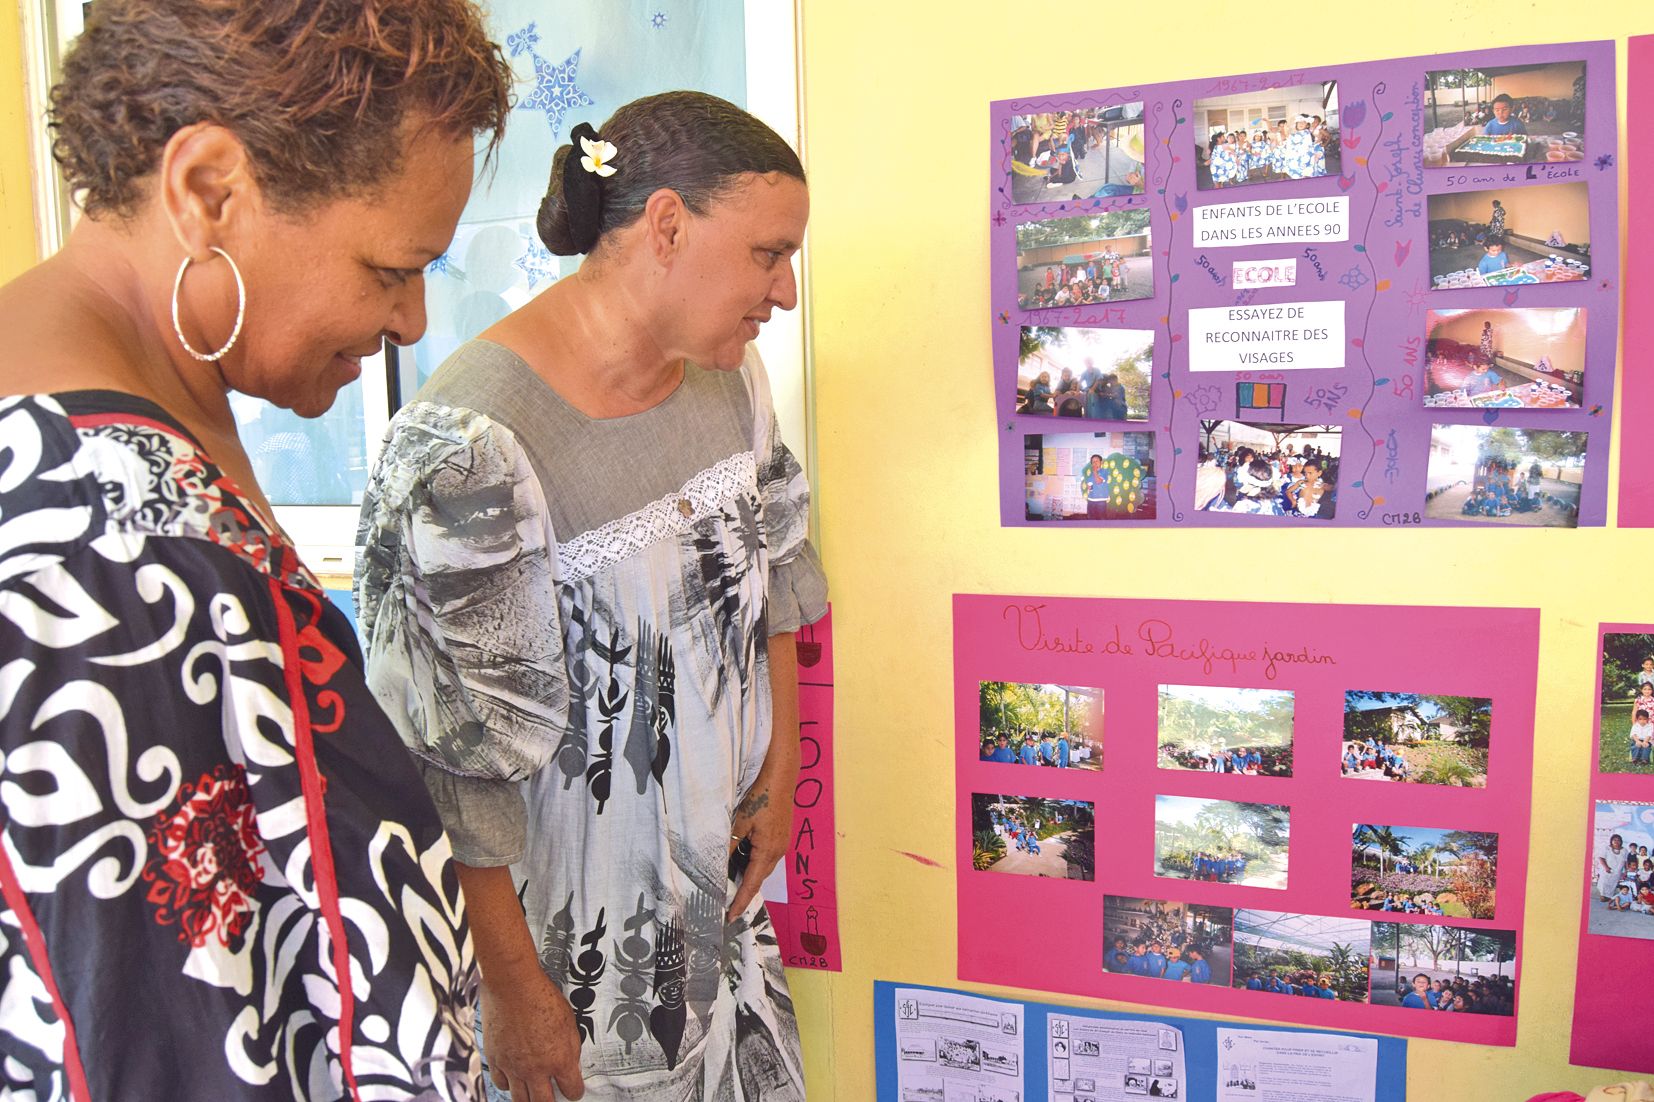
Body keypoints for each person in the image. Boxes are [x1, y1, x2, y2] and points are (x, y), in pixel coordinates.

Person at [0, 1, 512, 1097]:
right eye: (391, 268)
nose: (414, 321)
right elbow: (162, 1043)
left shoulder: (121, 439)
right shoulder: (119, 557)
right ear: (209, 192)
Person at [357, 92, 823, 1100]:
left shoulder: (730, 377)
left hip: (715, 898)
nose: (784, 292)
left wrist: (780, 767)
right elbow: (451, 770)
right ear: (667, 225)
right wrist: (512, 989)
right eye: (768, 254)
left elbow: (777, 568)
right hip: (568, 949)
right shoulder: (470, 446)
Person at [1597, 833, 1630, 901]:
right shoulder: (1607, 848)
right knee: (1604, 883)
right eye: (1614, 840)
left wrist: (1626, 871)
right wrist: (1606, 867)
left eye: (1618, 840)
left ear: (1621, 841)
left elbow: (1625, 861)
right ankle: (1603, 895)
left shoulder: (1625, 850)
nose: (1616, 841)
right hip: (1607, 870)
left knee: (1613, 884)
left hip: (1617, 871)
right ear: (1611, 841)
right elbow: (1601, 858)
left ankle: (1609, 896)